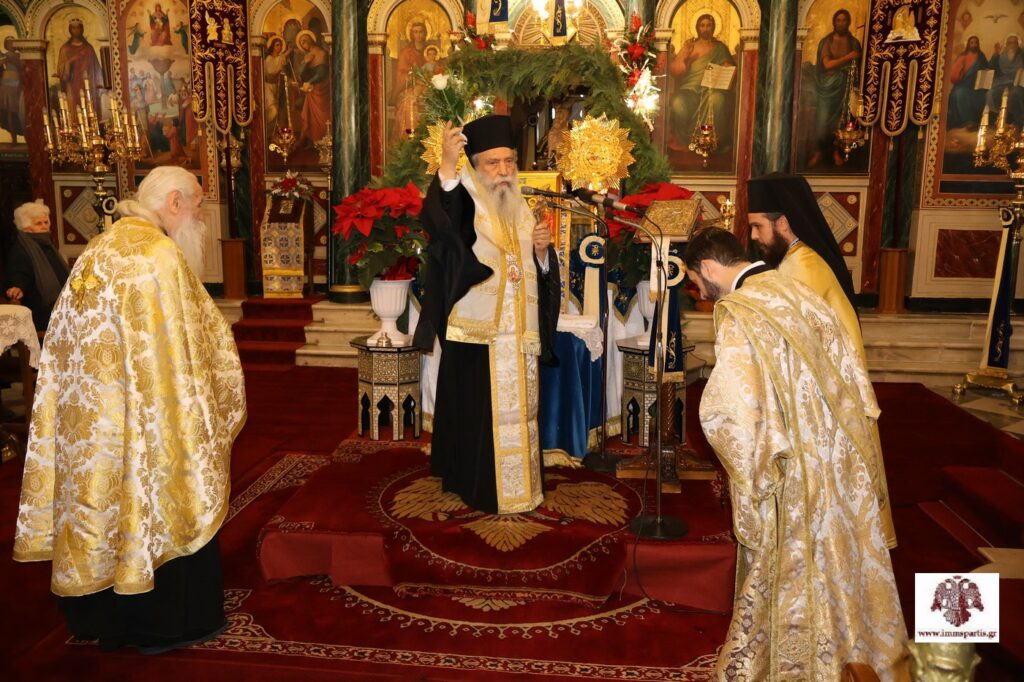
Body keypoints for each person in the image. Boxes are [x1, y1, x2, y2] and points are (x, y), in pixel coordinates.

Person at [13, 166, 246, 654]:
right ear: (175, 202)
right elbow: (194, 342)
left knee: (100, 499)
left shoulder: (98, 248)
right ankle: (165, 623)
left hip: (92, 420)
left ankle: (102, 618)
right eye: (197, 205)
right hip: (146, 414)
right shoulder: (159, 254)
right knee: (159, 492)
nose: (201, 217)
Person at [684, 227, 908, 681]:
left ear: (708, 267)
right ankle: (859, 655)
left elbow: (733, 410)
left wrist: (751, 476)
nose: (699, 292)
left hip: (794, 466)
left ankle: (796, 666)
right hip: (839, 452)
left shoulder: (739, 309)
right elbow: (851, 367)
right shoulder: (796, 289)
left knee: (797, 564)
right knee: (842, 559)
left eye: (695, 281)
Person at [412, 115, 560, 514]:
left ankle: (523, 485)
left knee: (523, 413)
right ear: (476, 165)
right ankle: (479, 487)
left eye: (509, 161)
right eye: (493, 163)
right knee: (478, 414)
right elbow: (442, 221)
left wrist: (541, 252)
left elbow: (532, 269)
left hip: (518, 332)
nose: (503, 170)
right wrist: (447, 164)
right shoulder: (466, 198)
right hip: (478, 331)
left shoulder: (521, 206)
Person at [747, 173, 898, 549]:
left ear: (783, 223)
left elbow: (792, 345)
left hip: (829, 399)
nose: (753, 236)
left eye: (758, 227)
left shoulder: (802, 269)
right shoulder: (796, 259)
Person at [668, 14, 734, 152]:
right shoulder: (691, 46)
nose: (705, 29)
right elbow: (674, 71)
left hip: (712, 88)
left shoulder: (720, 48)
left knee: (717, 99)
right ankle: (684, 140)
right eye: (702, 25)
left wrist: (727, 67)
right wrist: (684, 55)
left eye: (708, 25)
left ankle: (714, 142)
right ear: (697, 27)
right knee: (678, 102)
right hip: (690, 89)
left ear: (713, 27)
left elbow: (730, 69)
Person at [4, 200, 70, 332]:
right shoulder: (21, 249)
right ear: (26, 228)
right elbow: (18, 275)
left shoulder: (46, 244)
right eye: (38, 223)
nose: (44, 226)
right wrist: (17, 288)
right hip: (41, 311)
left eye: (46, 222)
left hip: (61, 305)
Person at [809, 10, 862, 167]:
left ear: (848, 22)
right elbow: (827, 65)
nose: (841, 23)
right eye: (838, 20)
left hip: (844, 88)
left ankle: (836, 152)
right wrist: (848, 57)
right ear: (834, 22)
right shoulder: (827, 42)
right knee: (822, 122)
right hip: (827, 87)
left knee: (840, 121)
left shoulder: (854, 43)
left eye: (844, 20)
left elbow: (858, 67)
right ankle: (818, 152)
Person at [55, 18, 102, 119]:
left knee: (89, 106)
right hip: (72, 85)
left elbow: (96, 69)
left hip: (87, 85)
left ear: (82, 29)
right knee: (74, 109)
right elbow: (60, 70)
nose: (76, 30)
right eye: (73, 28)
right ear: (70, 30)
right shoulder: (65, 49)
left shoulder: (88, 48)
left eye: (78, 28)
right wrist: (71, 61)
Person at [296, 30, 330, 147]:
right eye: (301, 43)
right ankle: (312, 139)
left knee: (322, 115)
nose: (303, 44)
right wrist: (305, 63)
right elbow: (300, 73)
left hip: (322, 88)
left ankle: (325, 139)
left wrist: (310, 82)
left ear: (311, 40)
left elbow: (322, 73)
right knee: (309, 114)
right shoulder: (307, 56)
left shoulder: (321, 53)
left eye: (304, 41)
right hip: (312, 89)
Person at [947, 36, 989, 130]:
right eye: (972, 43)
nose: (974, 45)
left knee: (984, 96)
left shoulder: (981, 57)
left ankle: (977, 121)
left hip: (978, 86)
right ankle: (967, 121)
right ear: (968, 44)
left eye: (976, 43)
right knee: (959, 93)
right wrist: (959, 72)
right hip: (963, 84)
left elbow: (987, 69)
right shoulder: (963, 56)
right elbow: (954, 75)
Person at [986, 35, 1024, 127]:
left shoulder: (1022, 54)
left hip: (1017, 83)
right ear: (1006, 44)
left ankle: (1016, 121)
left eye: (1014, 42)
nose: (1012, 45)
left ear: (1018, 44)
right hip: (1002, 82)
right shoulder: (1001, 55)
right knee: (990, 93)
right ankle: (997, 120)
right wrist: (995, 54)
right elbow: (991, 68)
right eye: (1010, 42)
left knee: (1014, 94)